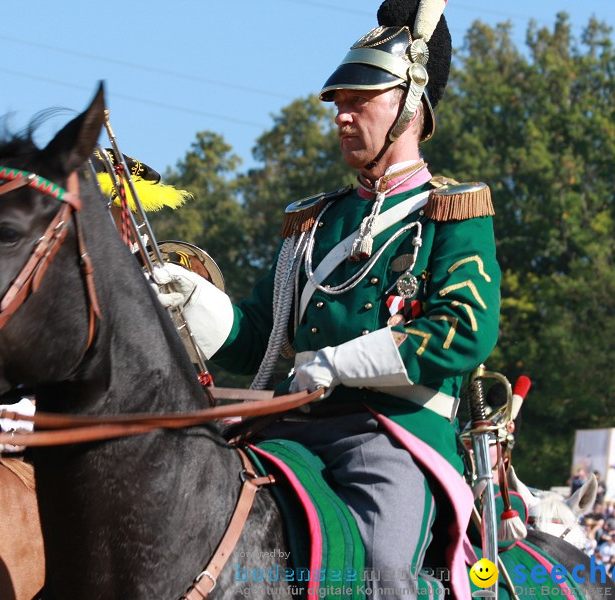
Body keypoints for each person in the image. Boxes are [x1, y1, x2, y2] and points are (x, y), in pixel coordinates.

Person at [152, 0, 499, 596]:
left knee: (386, 569)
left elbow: (464, 328)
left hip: (392, 433)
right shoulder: (316, 221)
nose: (341, 115)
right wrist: (191, 299)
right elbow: (259, 340)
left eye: (358, 100)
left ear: (409, 106)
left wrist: (341, 363)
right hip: (290, 427)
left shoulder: (452, 211)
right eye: (338, 102)